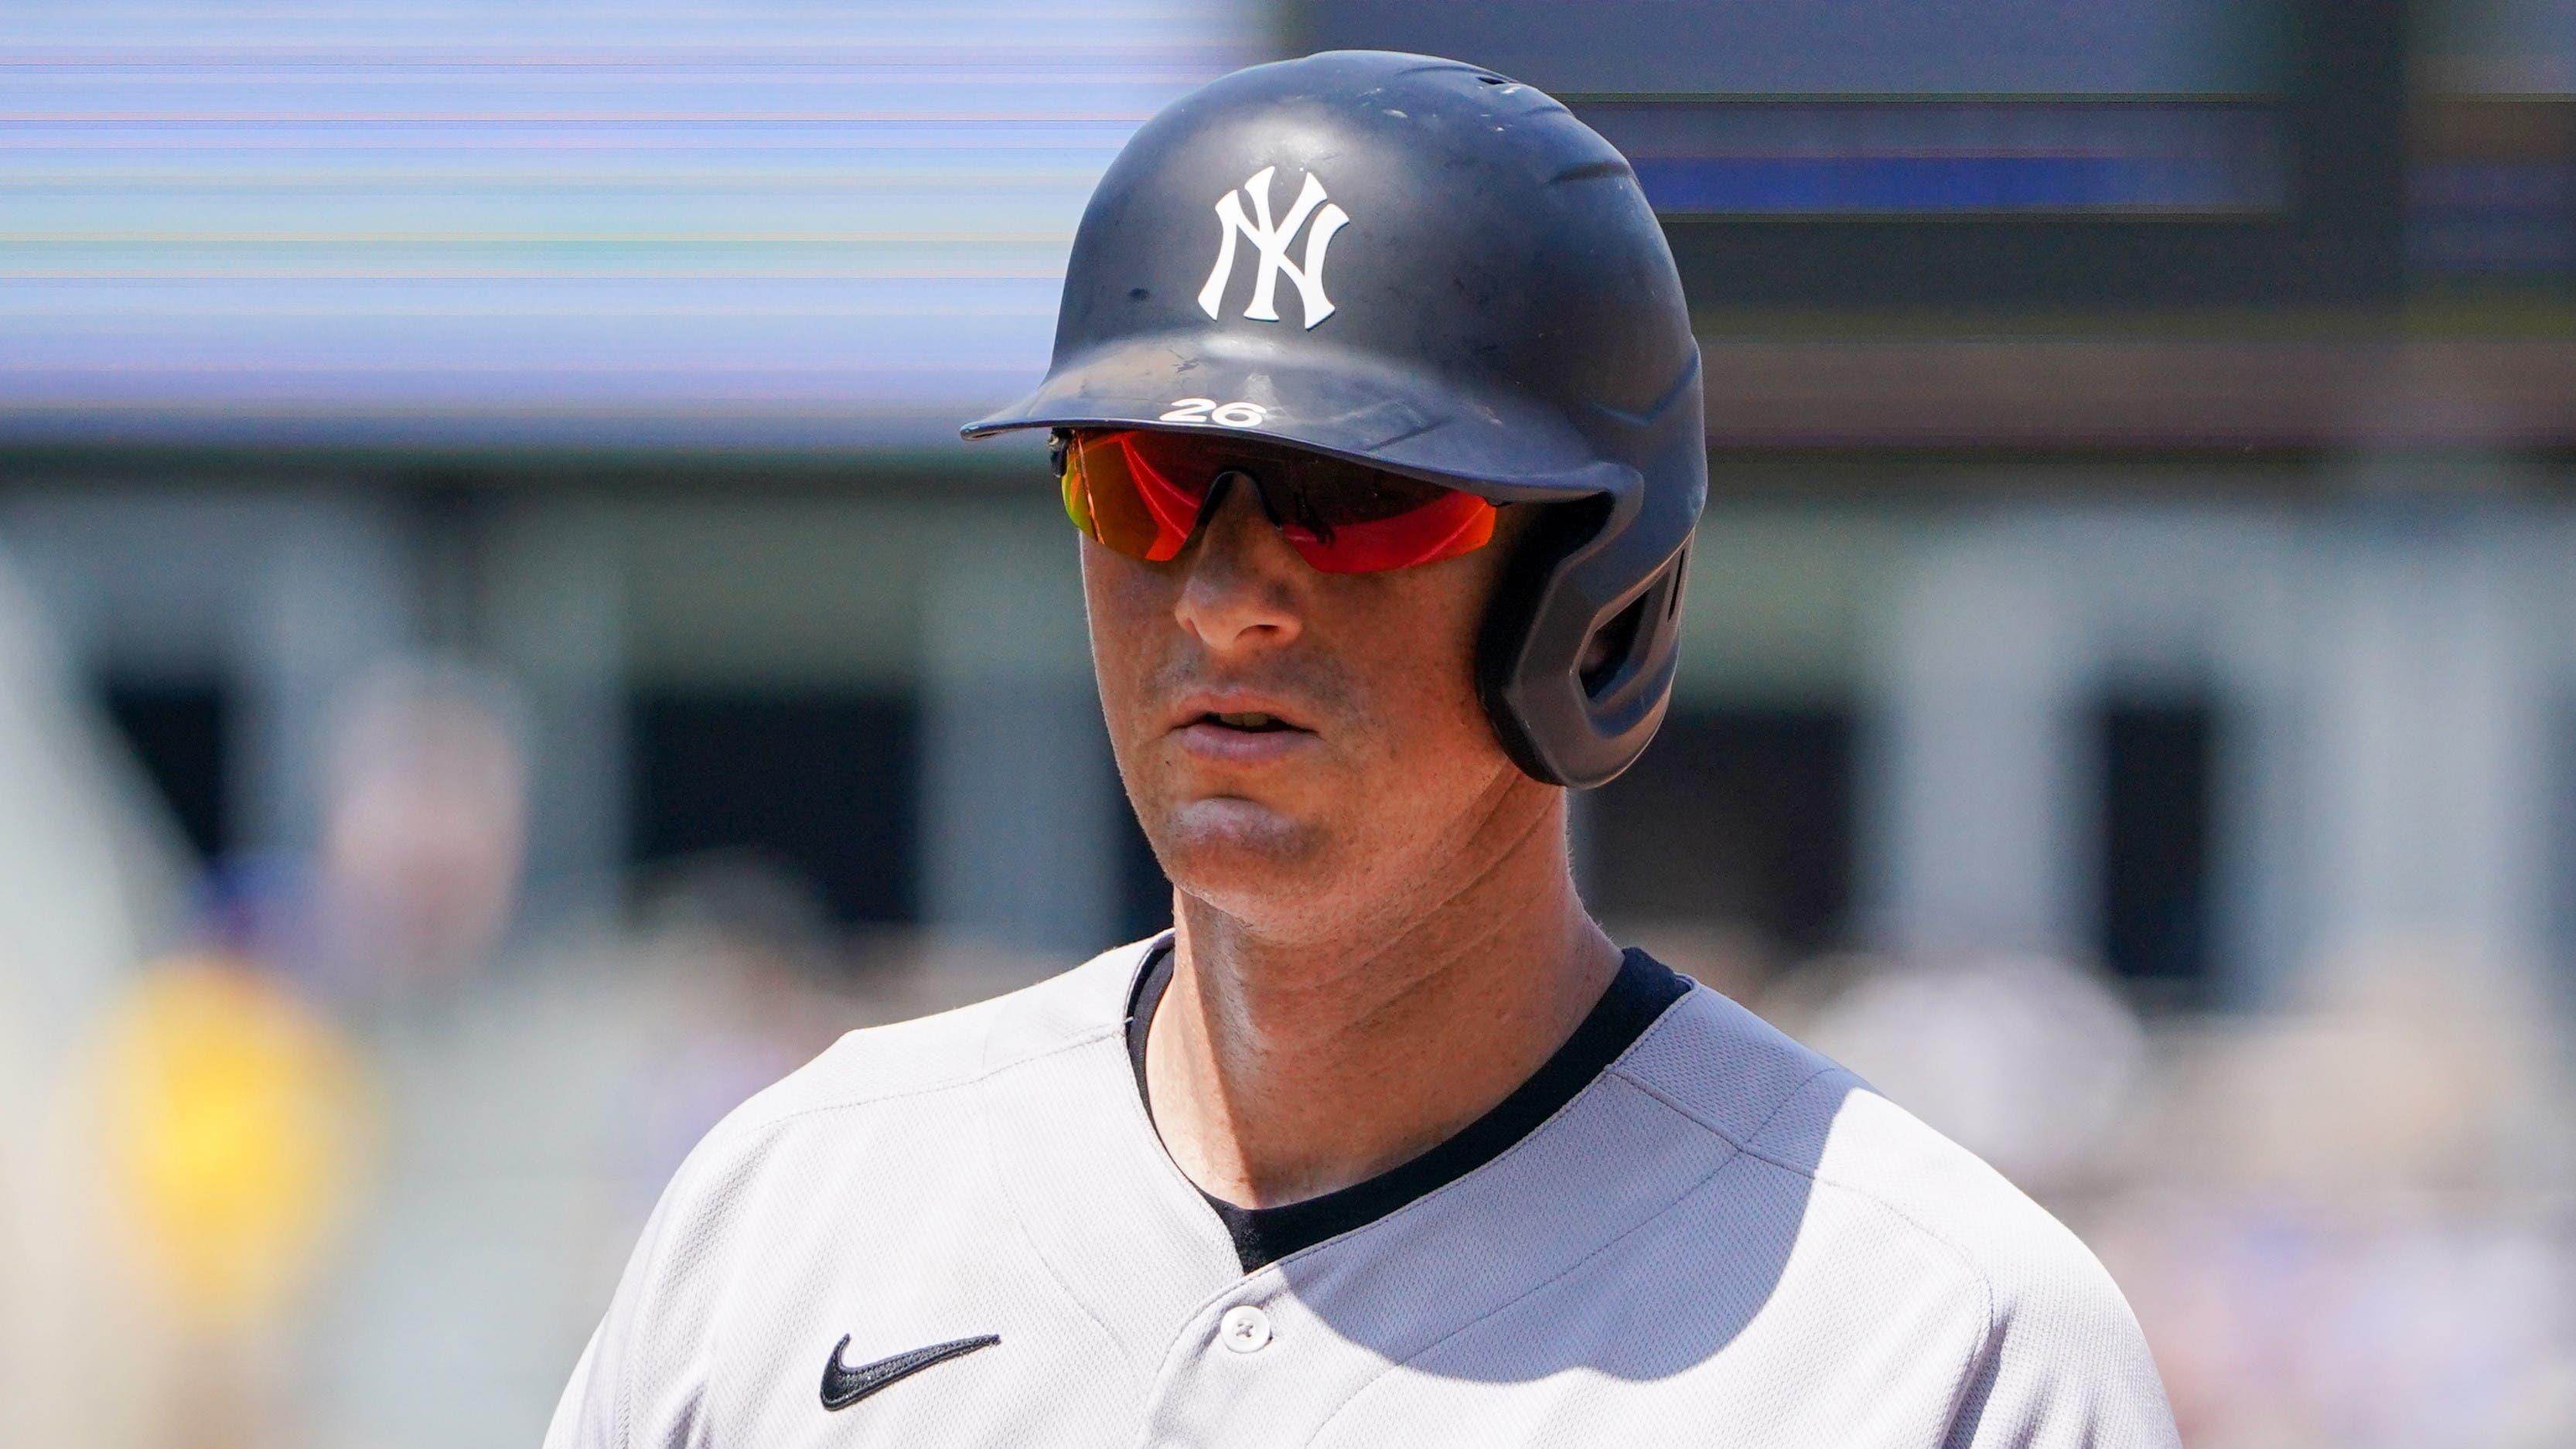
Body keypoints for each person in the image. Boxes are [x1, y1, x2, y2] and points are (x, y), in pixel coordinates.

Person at [544, 50, 2179, 1447]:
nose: (1224, 599)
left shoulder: (1929, 1337)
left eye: (1354, 497)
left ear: (1592, 590)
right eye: (1143, 480)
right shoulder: (800, 1198)